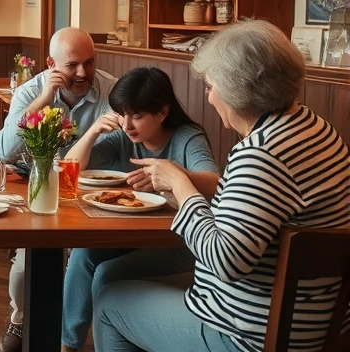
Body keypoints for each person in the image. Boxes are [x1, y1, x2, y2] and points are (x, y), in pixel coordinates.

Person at [94, 20, 350, 352]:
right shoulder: (317, 129)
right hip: (321, 320)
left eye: (212, 86)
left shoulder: (261, 154)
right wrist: (181, 180)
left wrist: (181, 186)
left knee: (109, 302)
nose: (210, 96)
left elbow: (226, 262)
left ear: (238, 91)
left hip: (249, 332)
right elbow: (249, 209)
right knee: (116, 277)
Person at [59, 67, 219, 352]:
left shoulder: (187, 137)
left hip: (178, 243)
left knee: (106, 273)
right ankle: (69, 345)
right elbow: (71, 167)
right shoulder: (124, 136)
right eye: (121, 114)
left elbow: (215, 181)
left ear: (163, 112)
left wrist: (172, 174)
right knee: (83, 255)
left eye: (136, 115)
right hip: (131, 236)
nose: (127, 124)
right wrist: (93, 131)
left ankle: (109, 342)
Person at [0, 27, 117, 352]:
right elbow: (2, 151)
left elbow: (116, 151)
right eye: (72, 65)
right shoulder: (31, 92)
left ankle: (68, 335)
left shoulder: (111, 91)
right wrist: (42, 101)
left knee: (83, 265)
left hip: (90, 194)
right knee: (26, 267)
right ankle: (20, 319)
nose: (82, 73)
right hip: (41, 190)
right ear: (50, 64)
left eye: (89, 63)